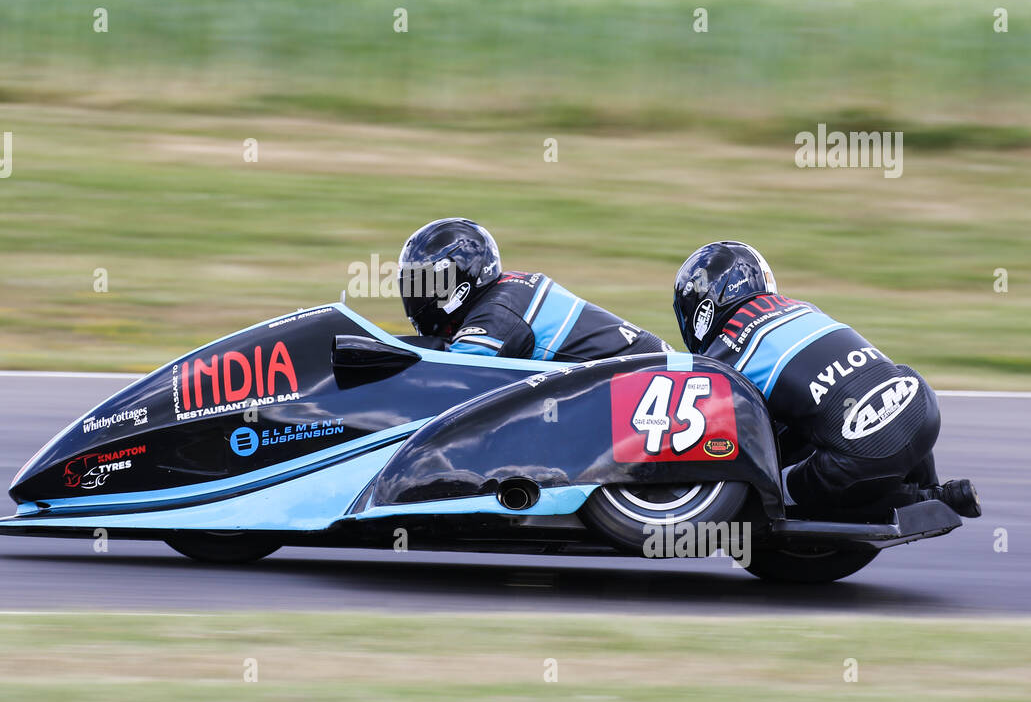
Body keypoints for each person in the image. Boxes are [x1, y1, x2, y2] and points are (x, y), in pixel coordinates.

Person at [671, 240, 979, 520]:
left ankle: (923, 498)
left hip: (865, 448)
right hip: (921, 407)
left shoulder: (725, 346)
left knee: (760, 498)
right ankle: (936, 486)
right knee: (856, 405)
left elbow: (717, 423)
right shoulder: (803, 307)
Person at [397, 218, 672, 362]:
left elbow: (450, 376)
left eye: (425, 283)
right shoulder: (507, 292)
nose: (417, 293)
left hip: (654, 381)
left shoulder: (499, 312)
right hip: (646, 374)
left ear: (461, 280)